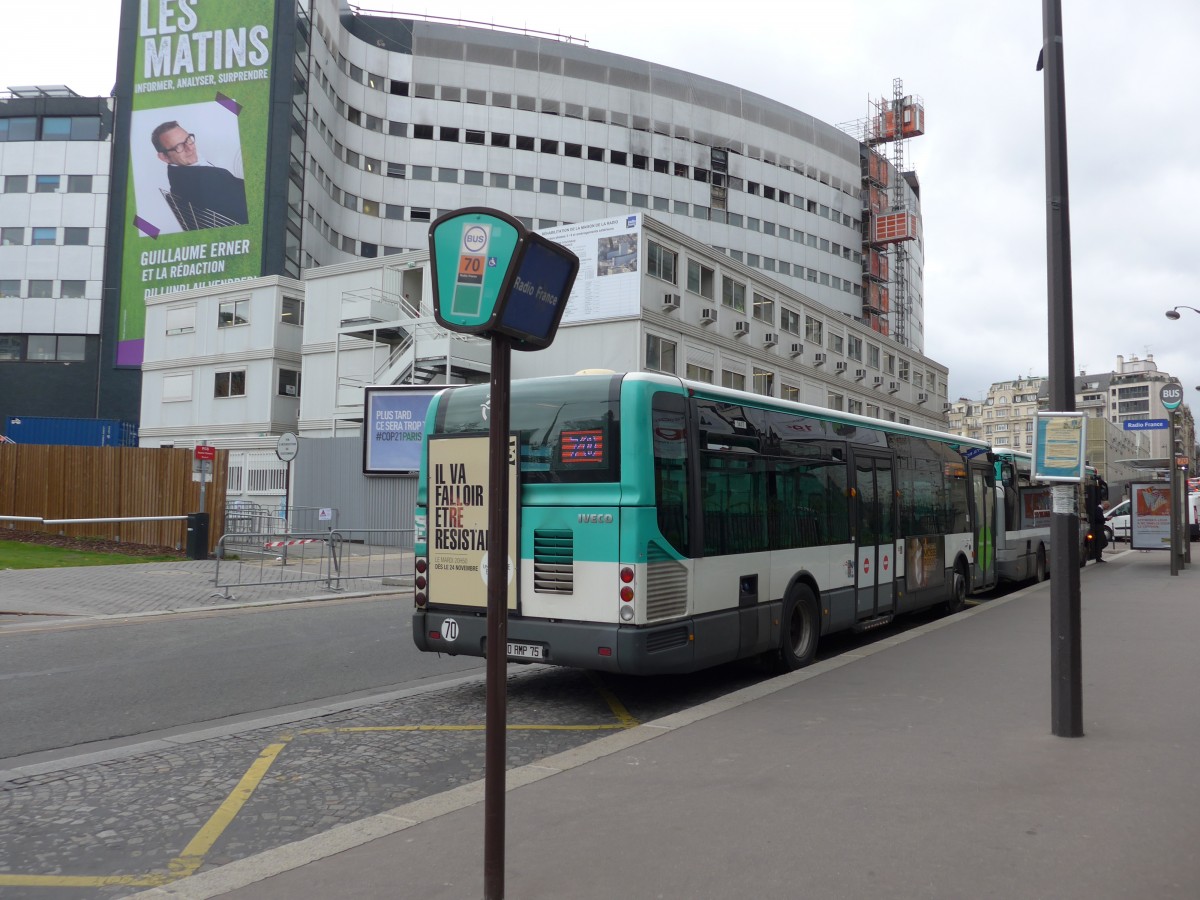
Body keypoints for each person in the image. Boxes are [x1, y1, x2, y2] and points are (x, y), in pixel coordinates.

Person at [152, 120, 248, 229]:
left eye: (188, 139)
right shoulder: (205, 178)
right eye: (179, 146)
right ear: (164, 157)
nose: (190, 148)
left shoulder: (178, 177)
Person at [1090, 498, 1108, 563]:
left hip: (1099, 528)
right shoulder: (1098, 509)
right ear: (1105, 505)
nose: (1107, 508)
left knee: (1102, 542)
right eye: (1107, 507)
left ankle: (1098, 554)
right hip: (1098, 528)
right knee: (1101, 542)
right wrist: (1106, 519)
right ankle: (1097, 555)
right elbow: (1099, 519)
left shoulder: (1099, 509)